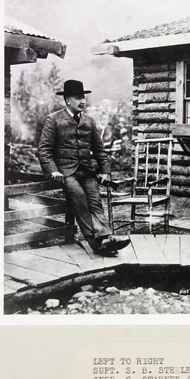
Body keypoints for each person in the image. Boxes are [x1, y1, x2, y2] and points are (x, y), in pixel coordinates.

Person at [37, 79, 130, 255]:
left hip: (86, 171)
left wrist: (105, 171)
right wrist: (53, 170)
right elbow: (43, 150)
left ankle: (105, 238)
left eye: (83, 97)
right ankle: (97, 243)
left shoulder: (89, 121)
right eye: (78, 97)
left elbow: (99, 150)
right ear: (67, 101)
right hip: (65, 173)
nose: (82, 101)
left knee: (95, 200)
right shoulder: (54, 120)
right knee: (79, 198)